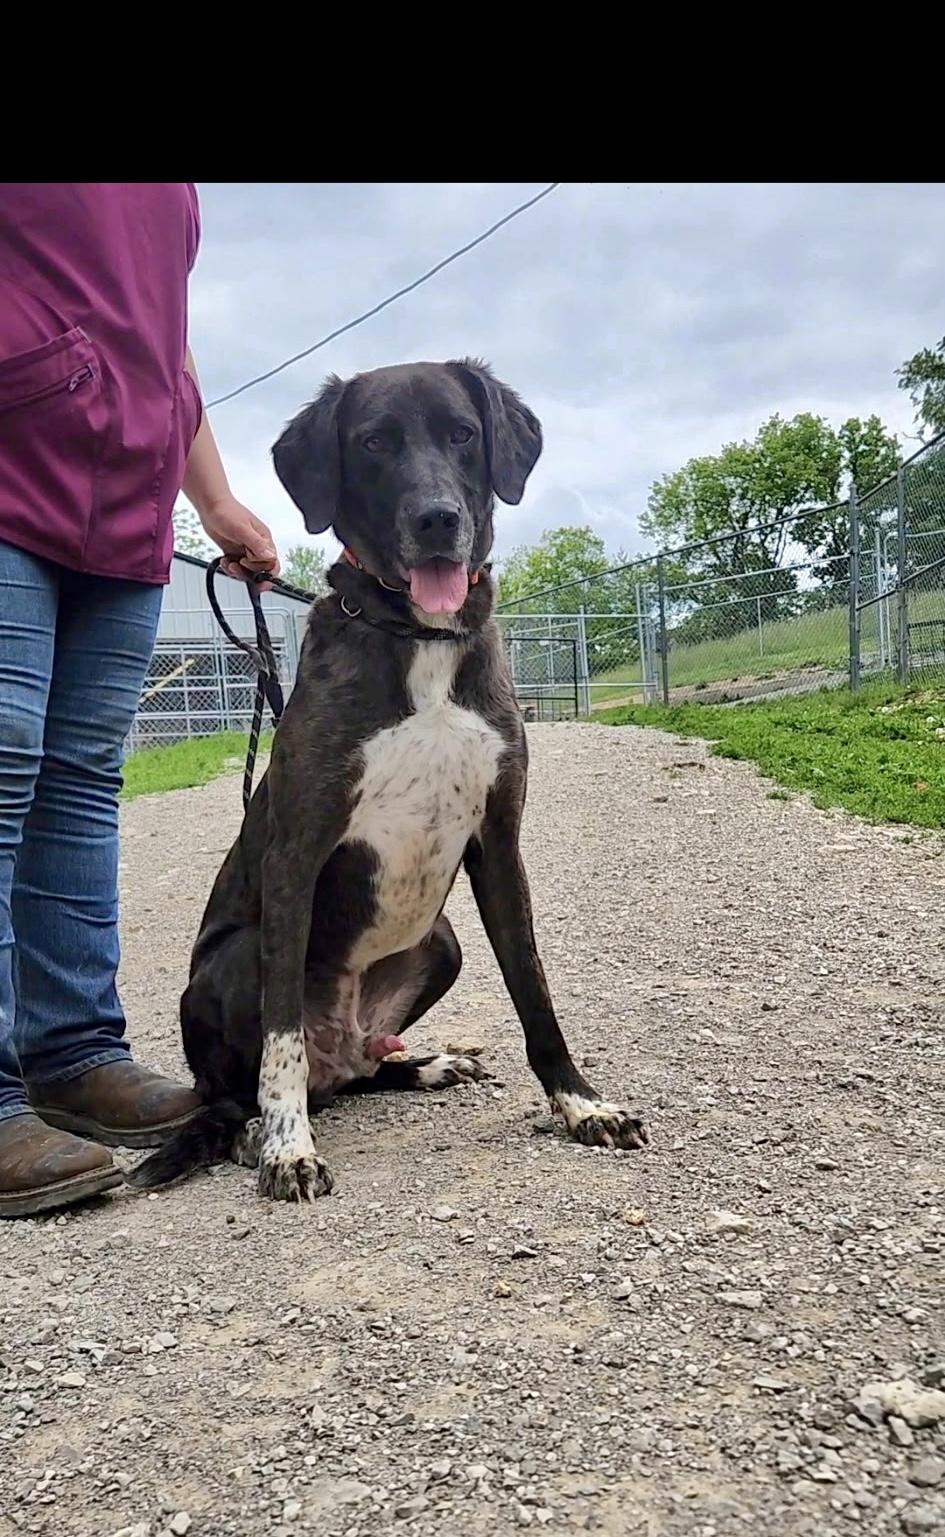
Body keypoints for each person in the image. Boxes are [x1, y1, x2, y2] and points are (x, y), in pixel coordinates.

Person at [0, 183, 280, 1216]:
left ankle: (73, 1053)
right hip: (10, 451)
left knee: (80, 780)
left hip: (126, 497)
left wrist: (214, 496)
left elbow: (167, 338)